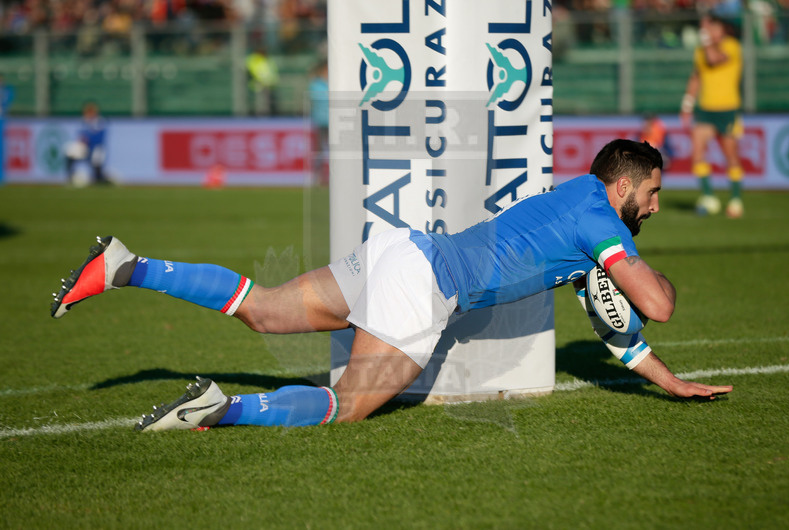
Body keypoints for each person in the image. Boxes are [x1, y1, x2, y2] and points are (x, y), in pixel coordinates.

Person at [50, 140, 733, 432]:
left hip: (401, 251)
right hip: (425, 287)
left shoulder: (583, 198)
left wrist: (670, 383)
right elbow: (657, 304)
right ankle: (221, 409)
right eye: (652, 192)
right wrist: (633, 271)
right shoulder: (598, 218)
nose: (655, 205)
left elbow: (621, 325)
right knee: (346, 410)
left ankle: (125, 267)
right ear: (623, 185)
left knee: (262, 311)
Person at [680, 13, 744, 218]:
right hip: (706, 110)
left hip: (727, 109)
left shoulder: (731, 46)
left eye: (713, 29)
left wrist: (706, 41)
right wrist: (687, 104)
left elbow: (714, 59)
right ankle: (708, 196)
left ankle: (735, 200)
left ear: (721, 31)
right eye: (708, 29)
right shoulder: (700, 51)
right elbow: (696, 77)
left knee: (730, 156)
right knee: (697, 151)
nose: (710, 33)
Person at [64, 101, 111, 186]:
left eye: (90, 112)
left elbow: (99, 137)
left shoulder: (99, 122)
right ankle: (70, 176)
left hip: (95, 148)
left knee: (98, 154)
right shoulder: (83, 121)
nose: (88, 114)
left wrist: (88, 141)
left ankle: (99, 178)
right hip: (85, 148)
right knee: (69, 150)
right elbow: (80, 136)